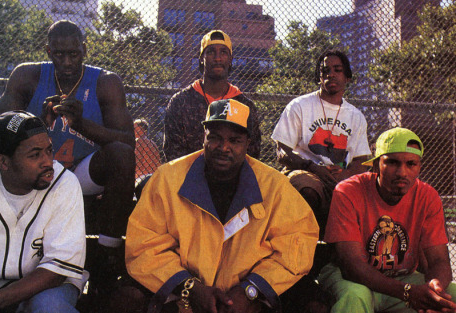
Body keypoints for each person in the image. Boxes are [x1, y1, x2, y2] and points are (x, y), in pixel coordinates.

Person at [125, 99, 319, 313]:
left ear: (248, 144)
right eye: (215, 138)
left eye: (234, 140)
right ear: (204, 138)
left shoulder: (275, 187)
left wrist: (251, 289)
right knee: (126, 297)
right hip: (182, 300)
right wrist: (190, 288)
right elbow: (143, 246)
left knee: (313, 303)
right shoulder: (167, 179)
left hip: (247, 304)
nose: (224, 147)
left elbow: (297, 246)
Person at [0, 20, 135, 292]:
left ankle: (106, 254)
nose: (67, 61)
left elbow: (128, 142)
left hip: (80, 173)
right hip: (33, 170)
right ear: (47, 51)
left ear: (85, 49)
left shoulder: (105, 81)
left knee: (120, 155)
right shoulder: (28, 75)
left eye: (74, 54)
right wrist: (33, 122)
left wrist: (81, 125)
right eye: (59, 54)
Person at [0, 111, 86, 313]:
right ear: (3, 162)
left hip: (46, 287)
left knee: (50, 307)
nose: (47, 162)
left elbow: (57, 270)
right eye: (35, 155)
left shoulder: (64, 183)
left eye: (49, 150)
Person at [319, 127, 456, 313]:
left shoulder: (427, 196)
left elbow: (439, 260)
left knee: (451, 295)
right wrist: (408, 293)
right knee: (355, 296)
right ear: (375, 165)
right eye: (392, 163)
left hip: (402, 279)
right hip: (350, 278)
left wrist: (435, 289)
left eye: (411, 164)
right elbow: (351, 266)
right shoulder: (349, 191)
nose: (402, 172)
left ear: (419, 167)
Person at [271, 50, 371, 235]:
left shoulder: (356, 116)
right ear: (319, 78)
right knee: (309, 189)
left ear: (347, 77)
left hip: (338, 178)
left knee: (365, 201)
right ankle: (305, 243)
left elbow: (361, 161)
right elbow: (281, 152)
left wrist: (345, 175)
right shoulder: (299, 106)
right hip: (304, 172)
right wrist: (312, 167)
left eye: (337, 70)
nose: (330, 74)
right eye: (325, 71)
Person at [163, 30, 261, 162]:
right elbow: (172, 153)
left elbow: (252, 154)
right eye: (211, 52)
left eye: (223, 52)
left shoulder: (244, 106)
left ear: (231, 60)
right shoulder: (180, 102)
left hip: (233, 180)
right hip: (189, 178)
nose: (217, 58)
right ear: (201, 59)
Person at [134, 118, 161, 184]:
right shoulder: (153, 143)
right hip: (155, 177)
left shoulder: (138, 142)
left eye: (135, 128)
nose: (133, 130)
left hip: (141, 178)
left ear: (143, 130)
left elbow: (138, 164)